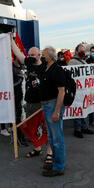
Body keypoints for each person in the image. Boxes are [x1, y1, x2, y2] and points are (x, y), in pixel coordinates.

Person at [10, 38, 53, 164]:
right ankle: (37, 149)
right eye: (29, 55)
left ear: (39, 55)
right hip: (30, 102)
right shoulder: (28, 63)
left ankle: (49, 152)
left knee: (45, 129)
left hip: (42, 103)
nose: (30, 57)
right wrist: (11, 39)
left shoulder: (46, 66)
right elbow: (18, 54)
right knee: (32, 127)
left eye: (33, 55)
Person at [38, 46, 67, 177]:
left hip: (53, 106)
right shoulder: (46, 69)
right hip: (46, 106)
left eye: (43, 55)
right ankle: (55, 163)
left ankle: (59, 167)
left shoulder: (57, 70)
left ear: (50, 56)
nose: (41, 57)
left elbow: (62, 91)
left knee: (57, 139)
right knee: (51, 137)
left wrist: (56, 111)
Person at [68, 44, 94, 137]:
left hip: (85, 90)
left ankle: (84, 127)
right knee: (78, 109)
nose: (82, 52)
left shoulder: (84, 61)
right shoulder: (72, 62)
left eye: (83, 51)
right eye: (80, 51)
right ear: (76, 51)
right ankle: (77, 129)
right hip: (78, 90)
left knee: (84, 108)